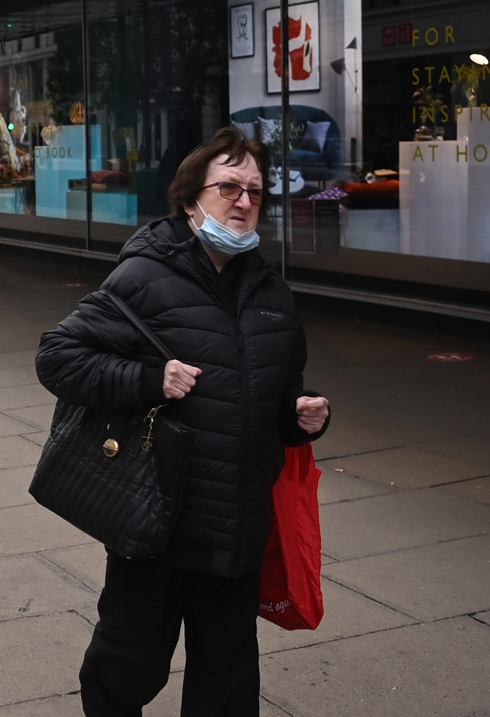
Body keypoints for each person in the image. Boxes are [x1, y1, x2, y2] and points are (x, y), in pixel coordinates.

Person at [36, 126, 331, 717]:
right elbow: (58, 357)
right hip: (158, 520)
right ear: (192, 195)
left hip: (237, 527)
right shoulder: (145, 277)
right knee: (130, 663)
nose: (244, 202)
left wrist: (302, 418)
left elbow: (279, 391)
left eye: (254, 191)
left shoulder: (274, 294)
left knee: (227, 685)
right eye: (229, 187)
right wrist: (149, 381)